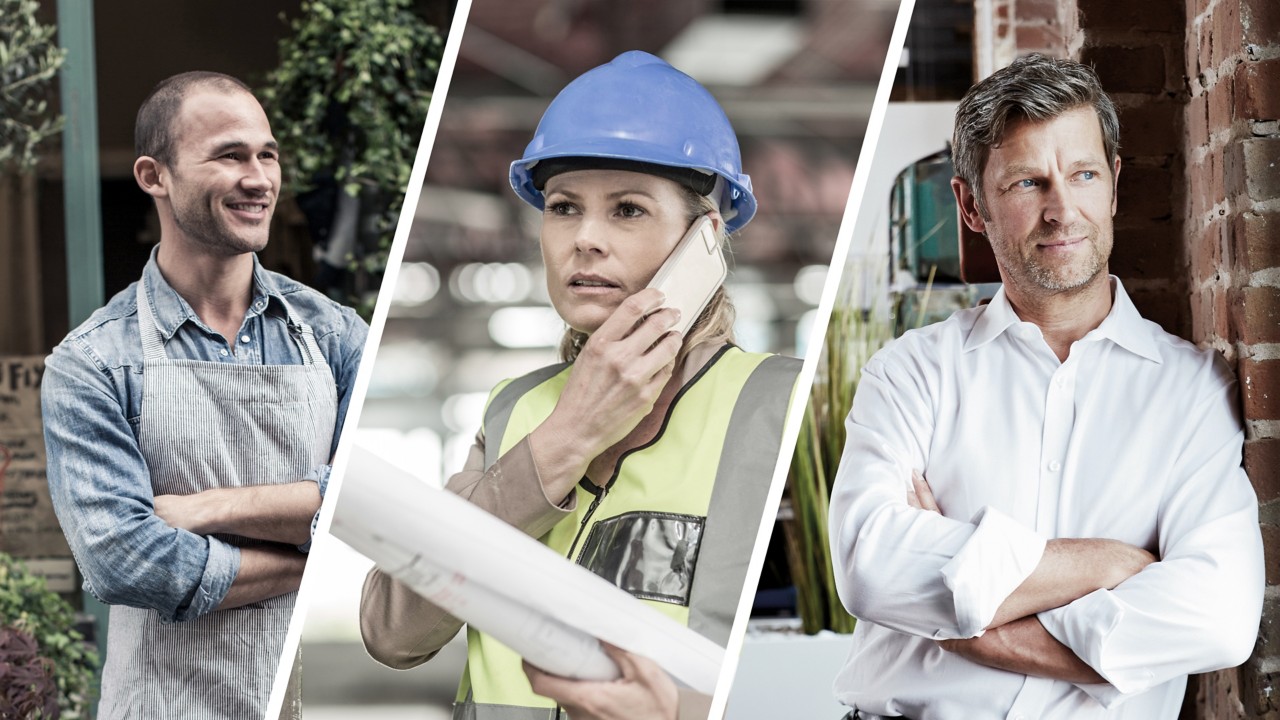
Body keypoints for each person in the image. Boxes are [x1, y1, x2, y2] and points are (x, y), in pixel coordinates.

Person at [360, 51, 801, 720]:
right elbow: (392, 632)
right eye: (565, 207)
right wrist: (564, 439)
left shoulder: (780, 406)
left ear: (705, 240)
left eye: (627, 209)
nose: (585, 239)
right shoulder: (515, 409)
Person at [828, 54, 1264, 720]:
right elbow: (871, 567)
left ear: (1114, 187)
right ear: (972, 205)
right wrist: (1108, 564)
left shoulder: (1191, 391)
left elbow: (1219, 617)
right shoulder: (911, 372)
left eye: (1083, 175)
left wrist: (978, 626)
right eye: (1029, 183)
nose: (1062, 210)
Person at [41, 71, 367, 719]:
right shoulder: (93, 362)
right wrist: (306, 554)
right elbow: (127, 561)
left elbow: (366, 506)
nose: (259, 178)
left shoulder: (334, 336)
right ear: (153, 176)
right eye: (229, 155)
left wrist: (206, 509)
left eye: (267, 154)